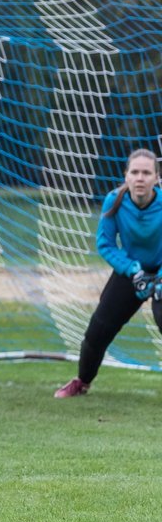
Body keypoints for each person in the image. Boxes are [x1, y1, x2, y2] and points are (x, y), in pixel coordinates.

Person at [55, 149, 162, 398]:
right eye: (134, 172)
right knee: (97, 332)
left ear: (156, 178)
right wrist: (133, 271)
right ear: (126, 176)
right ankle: (82, 382)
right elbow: (105, 244)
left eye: (147, 173)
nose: (140, 178)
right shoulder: (114, 200)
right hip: (131, 271)